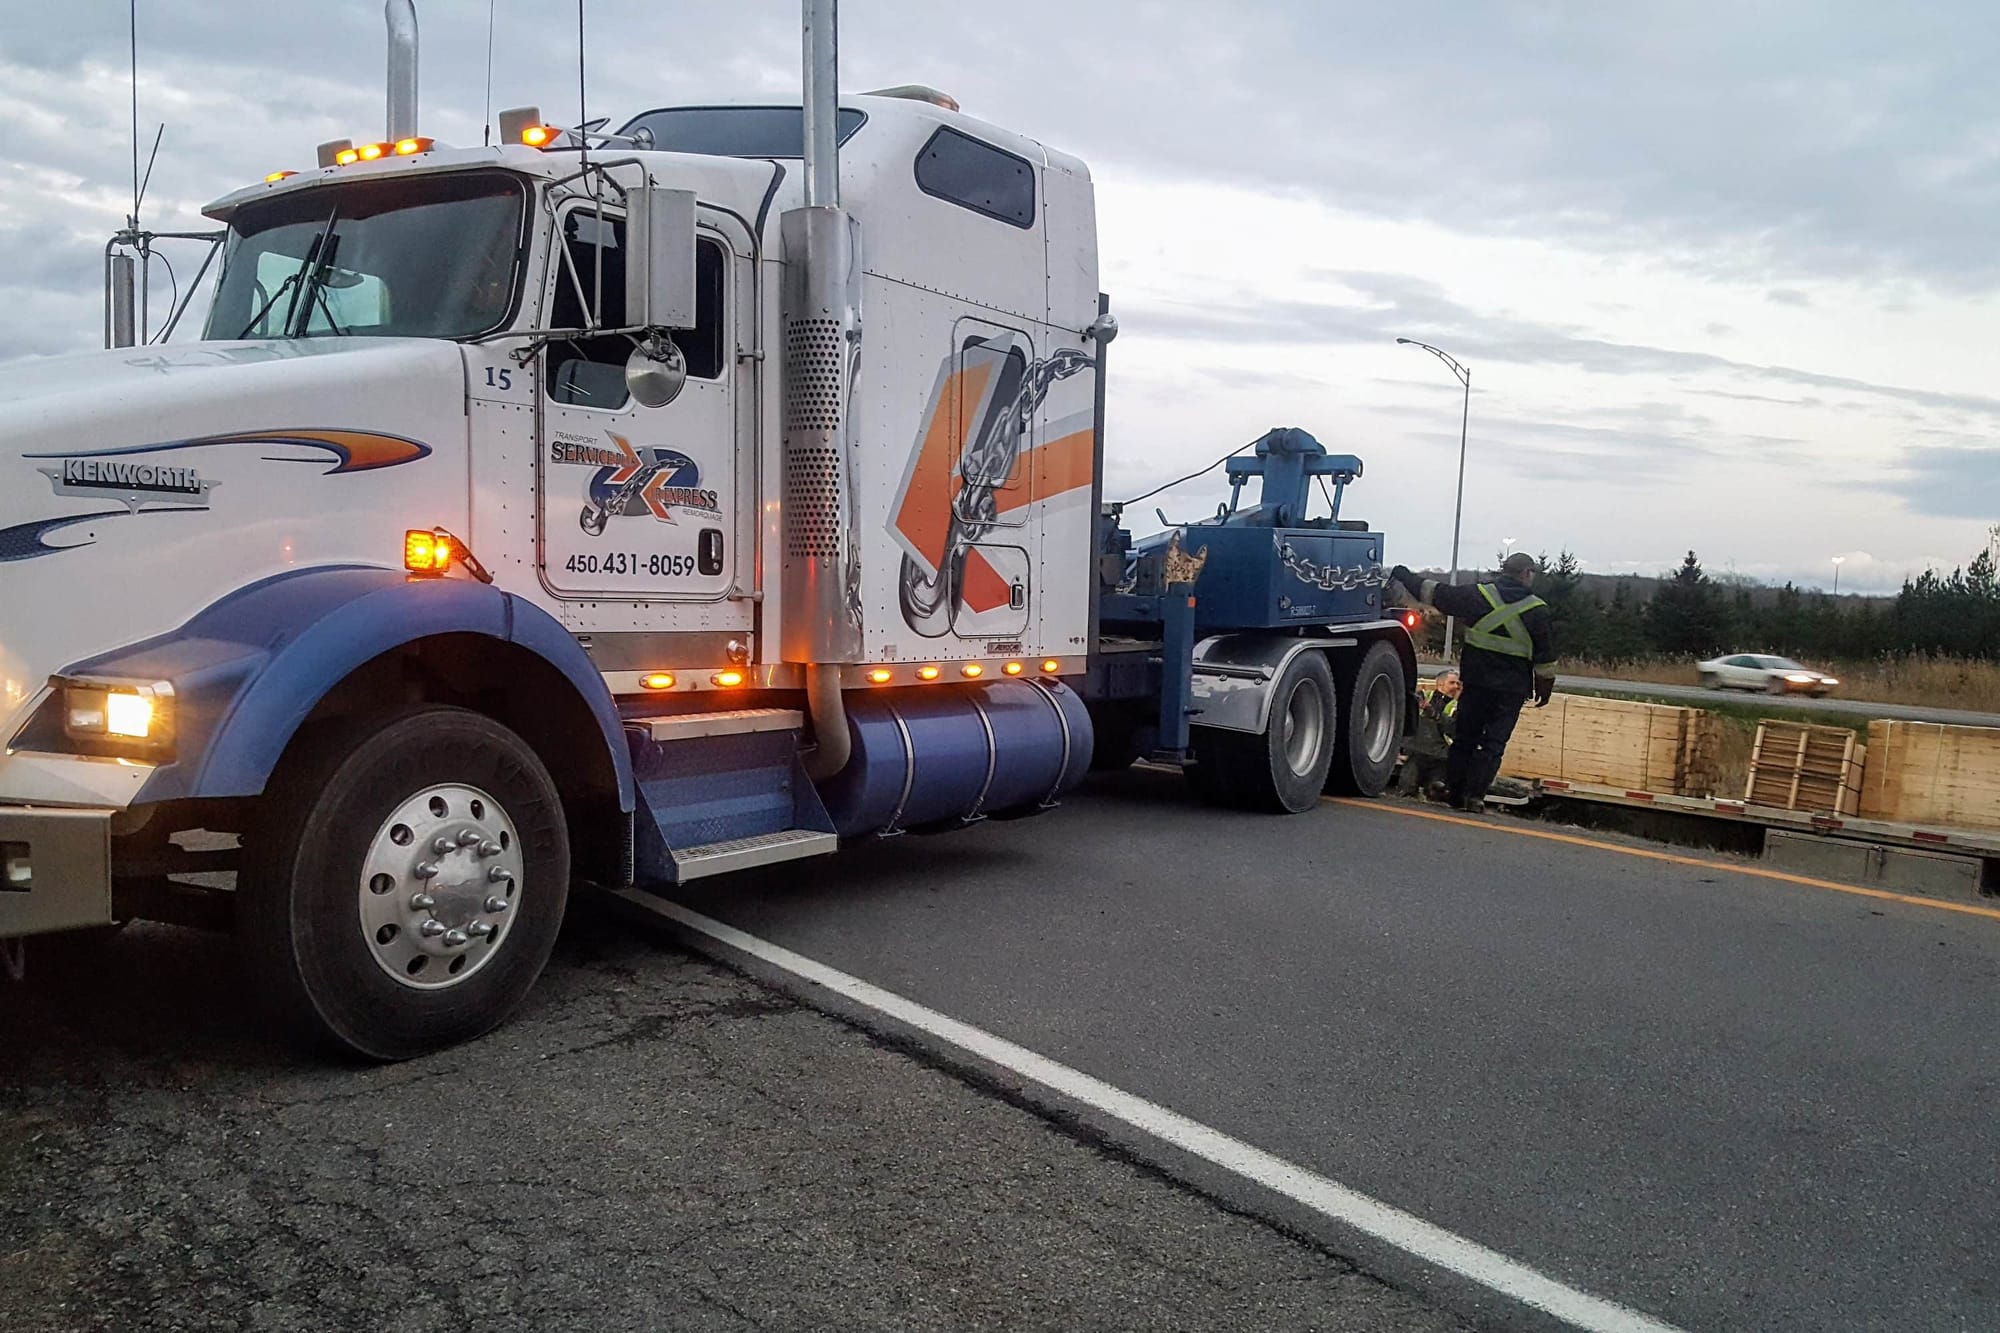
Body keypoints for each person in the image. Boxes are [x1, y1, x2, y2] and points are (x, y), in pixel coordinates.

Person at [1389, 552, 1557, 812]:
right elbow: (1545, 656)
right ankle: (1475, 796)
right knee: (1494, 743)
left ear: (1504, 571)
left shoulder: (1480, 595)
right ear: (1526, 574)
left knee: (1465, 739)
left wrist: (1404, 575)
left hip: (1477, 683)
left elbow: (1436, 594)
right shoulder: (1537, 609)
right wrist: (1544, 688)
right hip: (1511, 690)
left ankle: (1455, 794)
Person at [1395, 669, 1460, 797]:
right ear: (1440, 684)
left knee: (1435, 792)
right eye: (1452, 683)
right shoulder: (1422, 696)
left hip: (1440, 757)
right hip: (1415, 753)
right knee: (1406, 791)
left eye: (1458, 684)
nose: (1456, 687)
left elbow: (1453, 729)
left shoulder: (1456, 707)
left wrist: (1433, 713)